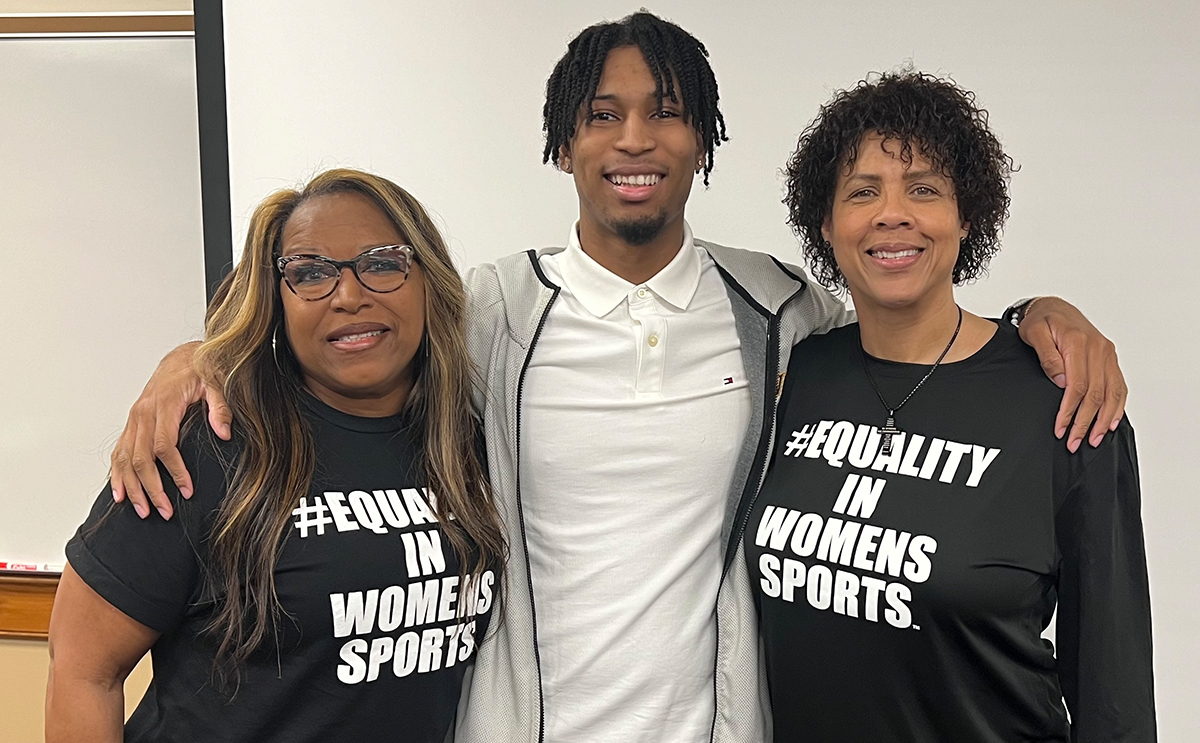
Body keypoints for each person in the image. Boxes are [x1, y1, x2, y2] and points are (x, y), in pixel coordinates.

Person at [104, 12, 1129, 743]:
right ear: (564, 143)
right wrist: (193, 355)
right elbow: (342, 329)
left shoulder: (779, 310)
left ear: (703, 144)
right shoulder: (489, 308)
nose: (635, 138)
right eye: (602, 114)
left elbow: (906, 315)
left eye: (667, 113)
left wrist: (1044, 315)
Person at [745, 71, 1155, 741]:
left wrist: (1038, 311)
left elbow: (1114, 693)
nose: (892, 213)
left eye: (925, 189)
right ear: (827, 222)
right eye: (863, 191)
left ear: (967, 215)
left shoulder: (1061, 401)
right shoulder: (796, 373)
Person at [45, 170, 505, 742]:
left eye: (383, 262)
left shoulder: (475, 443)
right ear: (276, 302)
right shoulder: (211, 444)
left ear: (427, 279)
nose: (350, 295)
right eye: (310, 274)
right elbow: (84, 668)